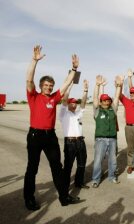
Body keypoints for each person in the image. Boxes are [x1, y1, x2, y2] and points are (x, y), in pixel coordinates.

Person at [24, 45, 81, 210]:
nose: (49, 87)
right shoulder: (33, 96)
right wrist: (34, 61)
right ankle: (29, 198)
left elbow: (66, 83)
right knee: (32, 168)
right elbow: (29, 80)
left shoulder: (54, 98)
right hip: (35, 135)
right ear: (41, 86)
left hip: (50, 137)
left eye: (50, 85)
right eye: (46, 85)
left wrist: (74, 68)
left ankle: (64, 197)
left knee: (57, 167)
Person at [91, 74, 122, 188]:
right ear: (101, 102)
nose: (107, 102)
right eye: (104, 101)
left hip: (113, 139)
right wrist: (97, 85)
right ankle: (96, 179)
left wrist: (118, 86)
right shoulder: (97, 111)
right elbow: (94, 98)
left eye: (108, 100)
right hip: (100, 140)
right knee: (98, 161)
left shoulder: (112, 109)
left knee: (113, 160)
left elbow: (117, 97)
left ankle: (112, 177)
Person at [59, 80, 89, 192]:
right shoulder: (63, 113)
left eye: (75, 102)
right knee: (68, 167)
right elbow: (65, 98)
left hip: (81, 142)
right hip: (70, 143)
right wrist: (70, 84)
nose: (74, 104)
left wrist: (85, 90)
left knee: (82, 165)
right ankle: (65, 187)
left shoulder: (78, 114)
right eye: (72, 102)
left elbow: (84, 103)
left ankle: (79, 183)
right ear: (67, 104)